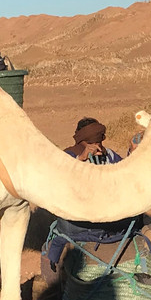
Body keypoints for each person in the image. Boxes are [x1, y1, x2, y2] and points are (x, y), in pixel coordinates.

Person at [42, 117, 134, 282]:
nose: (95, 147)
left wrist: (133, 153)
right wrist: (80, 161)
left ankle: (52, 267)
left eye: (97, 141)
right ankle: (52, 272)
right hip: (80, 222)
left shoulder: (109, 156)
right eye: (90, 142)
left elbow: (127, 176)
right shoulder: (68, 157)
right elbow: (56, 183)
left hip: (105, 221)